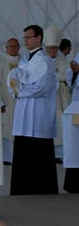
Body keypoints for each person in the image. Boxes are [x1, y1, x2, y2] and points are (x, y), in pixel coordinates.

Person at [9, 25, 59, 194]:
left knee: (38, 147)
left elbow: (43, 86)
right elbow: (15, 78)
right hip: (24, 109)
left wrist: (21, 90)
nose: (25, 41)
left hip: (39, 111)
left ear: (38, 38)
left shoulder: (45, 61)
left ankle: (41, 188)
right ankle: (22, 188)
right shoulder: (25, 60)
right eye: (24, 38)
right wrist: (16, 87)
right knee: (24, 146)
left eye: (28, 38)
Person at [44, 26, 70, 161]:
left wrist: (52, 76)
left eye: (55, 48)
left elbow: (65, 75)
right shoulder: (41, 58)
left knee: (59, 124)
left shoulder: (62, 59)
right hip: (45, 98)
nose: (53, 51)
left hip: (59, 98)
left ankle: (59, 154)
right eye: (50, 49)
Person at [0, 38, 22, 164]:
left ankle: (18, 156)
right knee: (6, 130)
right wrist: (1, 102)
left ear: (19, 47)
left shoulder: (23, 61)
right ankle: (7, 157)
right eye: (10, 46)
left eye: (15, 46)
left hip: (20, 102)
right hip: (6, 101)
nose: (13, 48)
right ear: (6, 48)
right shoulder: (1, 62)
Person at [62, 52, 79, 192]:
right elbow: (69, 77)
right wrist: (73, 71)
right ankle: (73, 183)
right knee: (75, 144)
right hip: (76, 104)